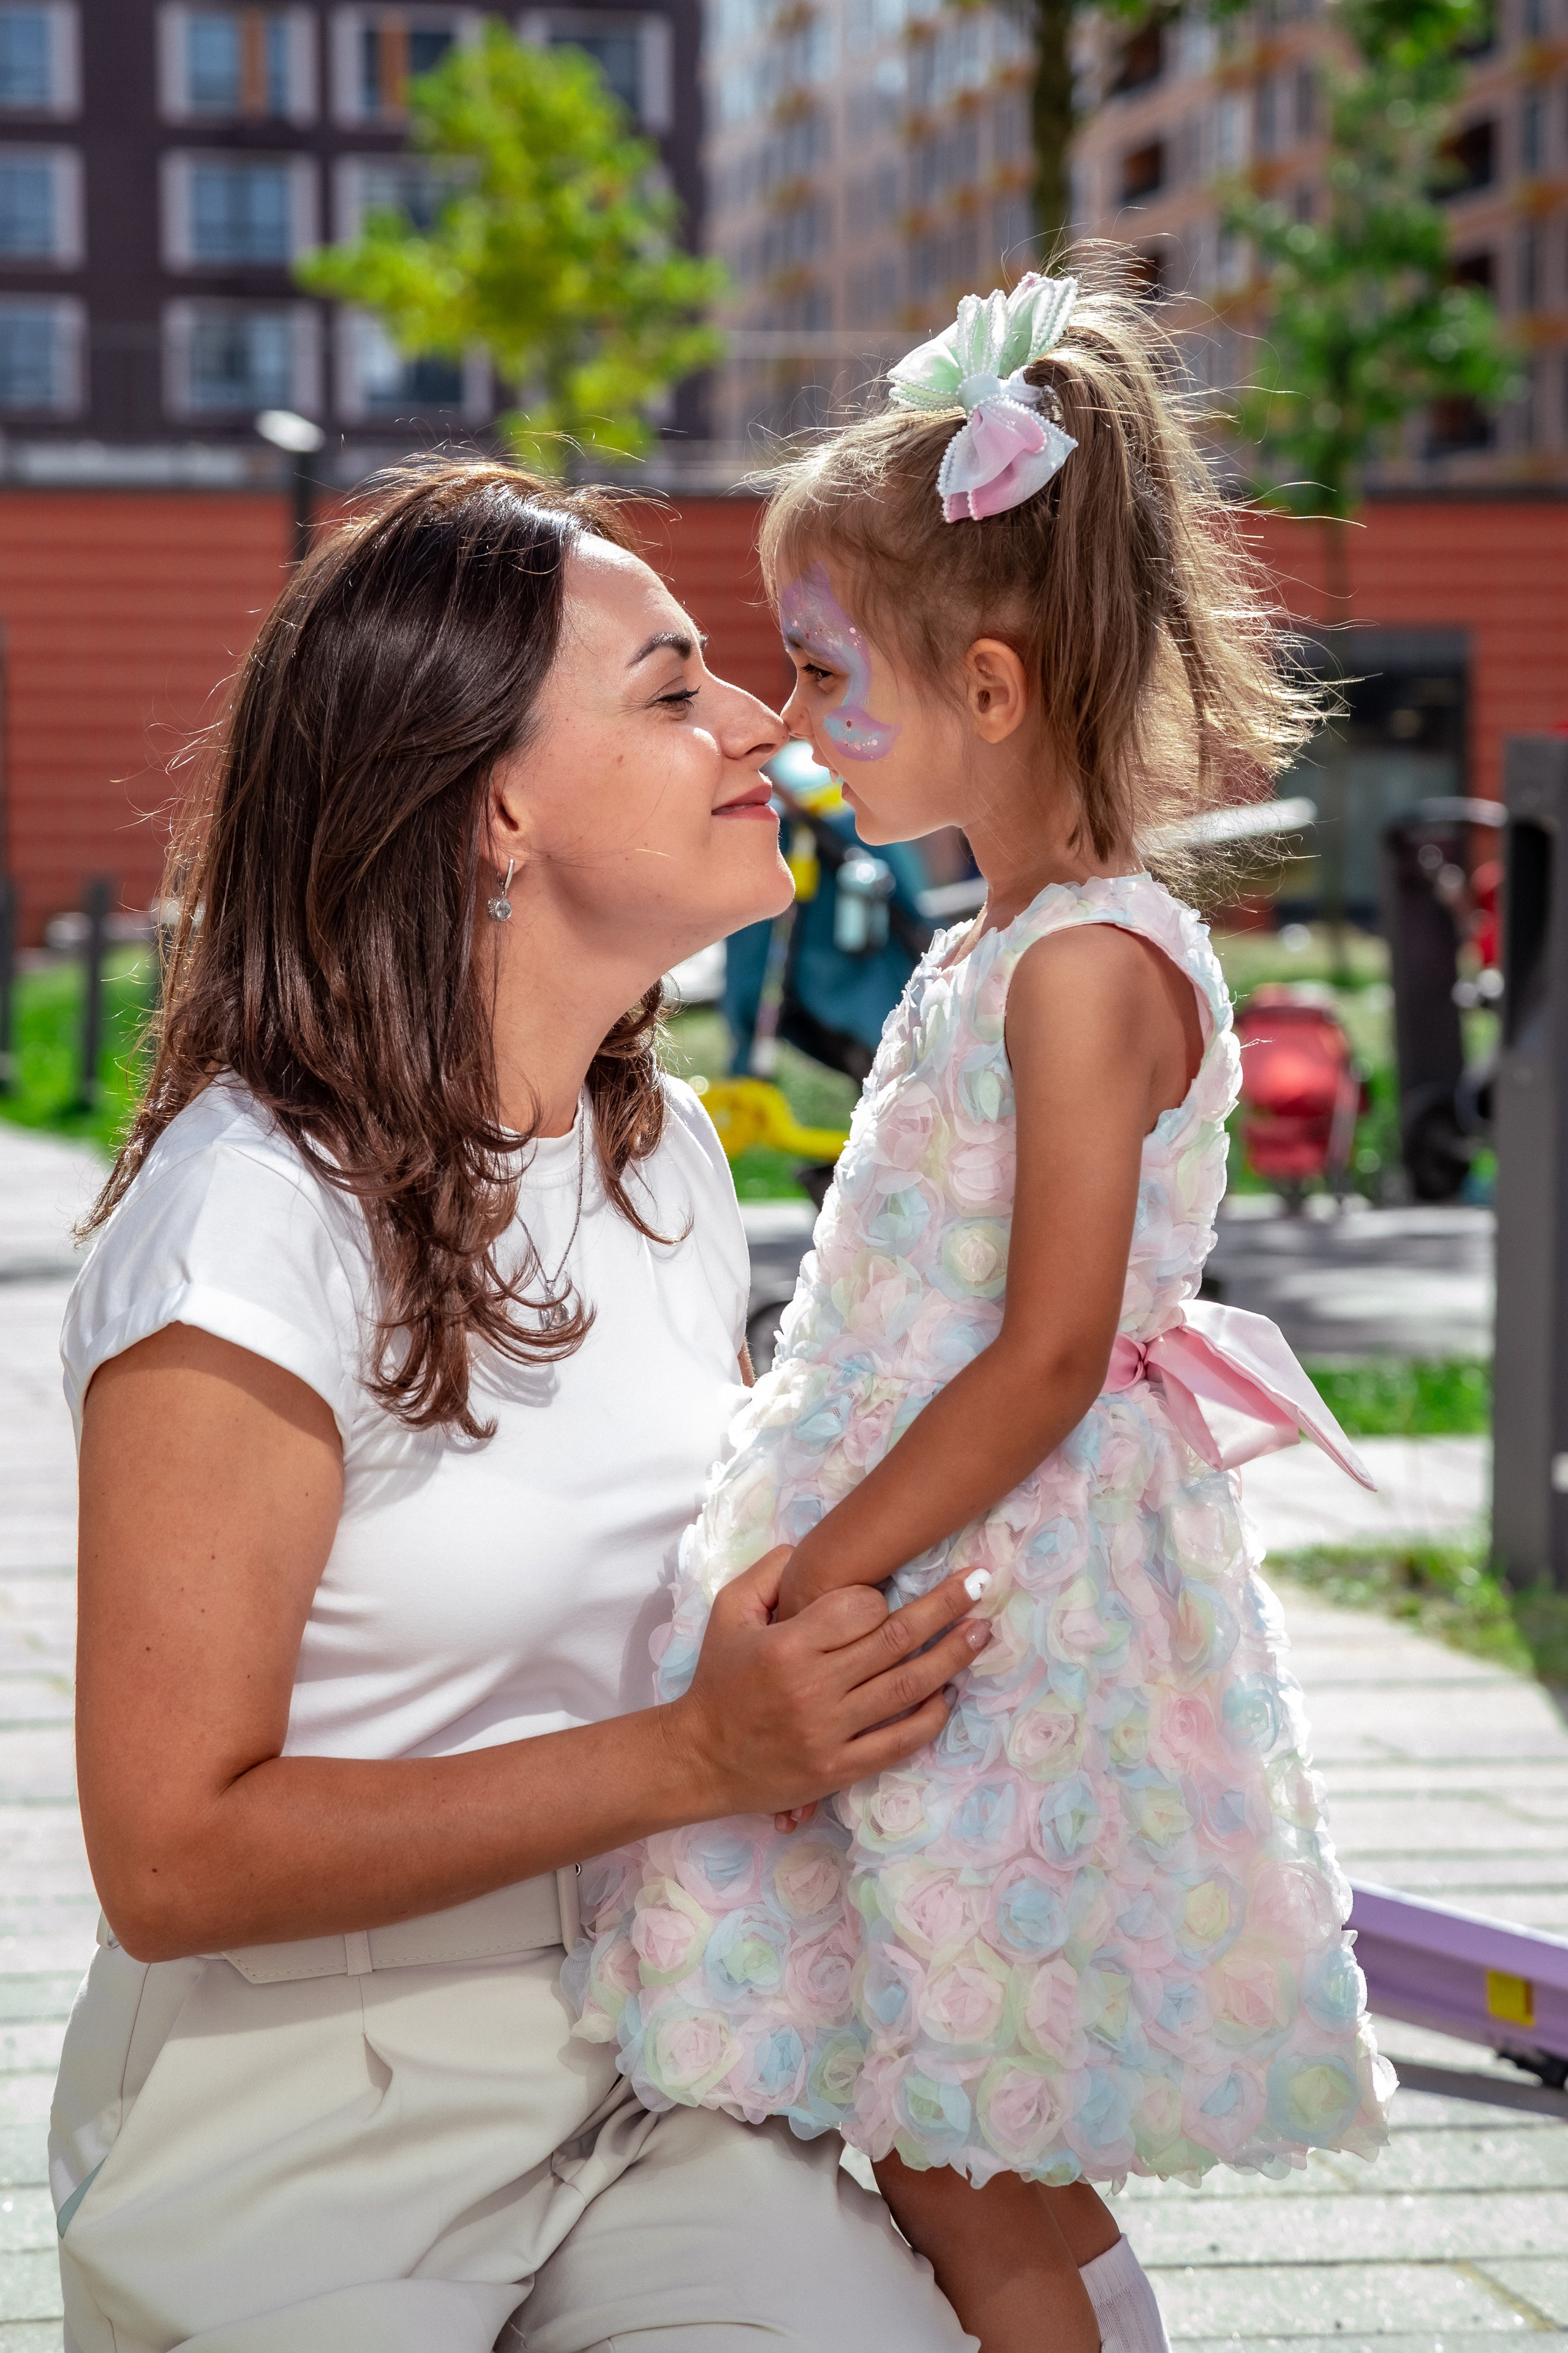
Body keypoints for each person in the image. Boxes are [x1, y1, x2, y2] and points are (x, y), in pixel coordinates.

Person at [50, 463, 998, 2353]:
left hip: (662, 2052)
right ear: (494, 803)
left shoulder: (664, 1159)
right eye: (671, 691)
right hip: (312, 2095)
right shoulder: (252, 1218)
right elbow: (168, 1855)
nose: (758, 720)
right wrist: (697, 1760)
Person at [568, 272, 1397, 2353]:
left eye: (831, 671)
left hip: (986, 1602)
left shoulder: (1085, 965)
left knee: (965, 2129)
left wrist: (815, 1570)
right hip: (944, 1565)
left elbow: (1045, 1351)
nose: (790, 714)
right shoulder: (998, 947)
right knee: (947, 2117)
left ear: (997, 690)